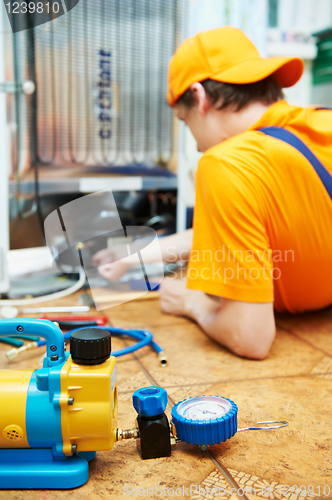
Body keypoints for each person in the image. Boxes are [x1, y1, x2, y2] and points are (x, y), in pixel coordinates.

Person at [93, 27, 332, 360]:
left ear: (199, 97)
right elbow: (253, 229)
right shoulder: (321, 125)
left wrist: (192, 303)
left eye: (184, 120)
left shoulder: (227, 162)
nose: (195, 143)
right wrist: (133, 254)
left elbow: (252, 338)